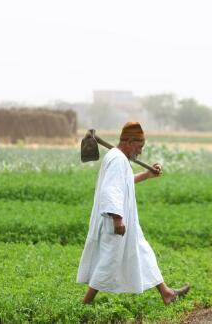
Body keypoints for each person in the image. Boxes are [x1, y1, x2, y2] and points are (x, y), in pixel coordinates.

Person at [77, 122, 190, 305]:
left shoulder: (118, 159)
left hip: (125, 219)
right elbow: (111, 190)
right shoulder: (117, 159)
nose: (141, 152)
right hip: (116, 221)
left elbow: (125, 181)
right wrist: (117, 219)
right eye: (139, 147)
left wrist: (147, 175)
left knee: (143, 252)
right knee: (109, 260)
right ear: (129, 142)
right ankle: (86, 303)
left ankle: (166, 293)